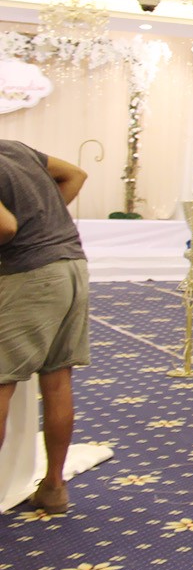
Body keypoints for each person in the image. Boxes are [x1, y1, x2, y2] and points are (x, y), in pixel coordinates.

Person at [0, 141, 90, 515]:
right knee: (57, 380)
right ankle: (53, 488)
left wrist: (28, 232)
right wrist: (43, 224)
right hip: (72, 265)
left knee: (1, 381)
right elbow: (76, 174)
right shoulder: (14, 149)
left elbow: (6, 226)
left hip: (31, 274)